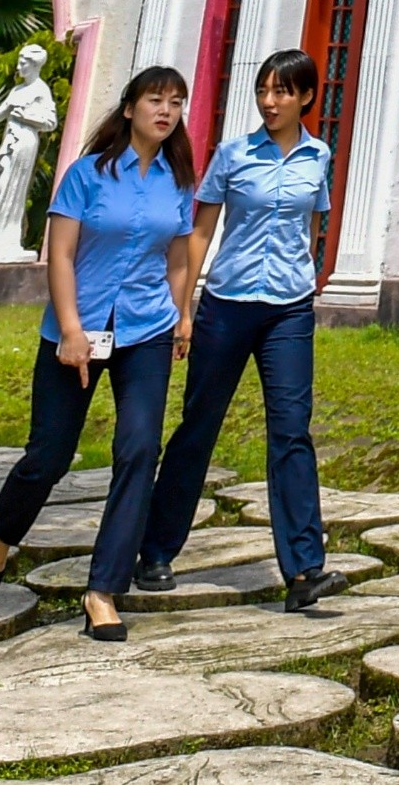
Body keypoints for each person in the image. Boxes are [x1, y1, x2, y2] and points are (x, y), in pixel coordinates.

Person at [0, 66, 198, 640]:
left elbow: (176, 258)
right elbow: (62, 255)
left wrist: (182, 314)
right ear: (129, 108)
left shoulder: (177, 181)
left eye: (175, 103)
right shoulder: (88, 174)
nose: (165, 111)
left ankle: (103, 590)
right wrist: (71, 328)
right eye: (154, 100)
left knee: (140, 449)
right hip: (75, 332)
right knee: (50, 455)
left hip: (146, 329)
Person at [136, 47, 344, 611]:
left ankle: (304, 570)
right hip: (226, 306)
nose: (269, 101)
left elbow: (311, 222)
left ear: (305, 98)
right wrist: (183, 309)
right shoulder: (232, 155)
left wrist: (311, 276)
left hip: (290, 309)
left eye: (282, 92)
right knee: (199, 426)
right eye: (263, 90)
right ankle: (155, 551)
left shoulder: (318, 155)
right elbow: (199, 234)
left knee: (292, 430)